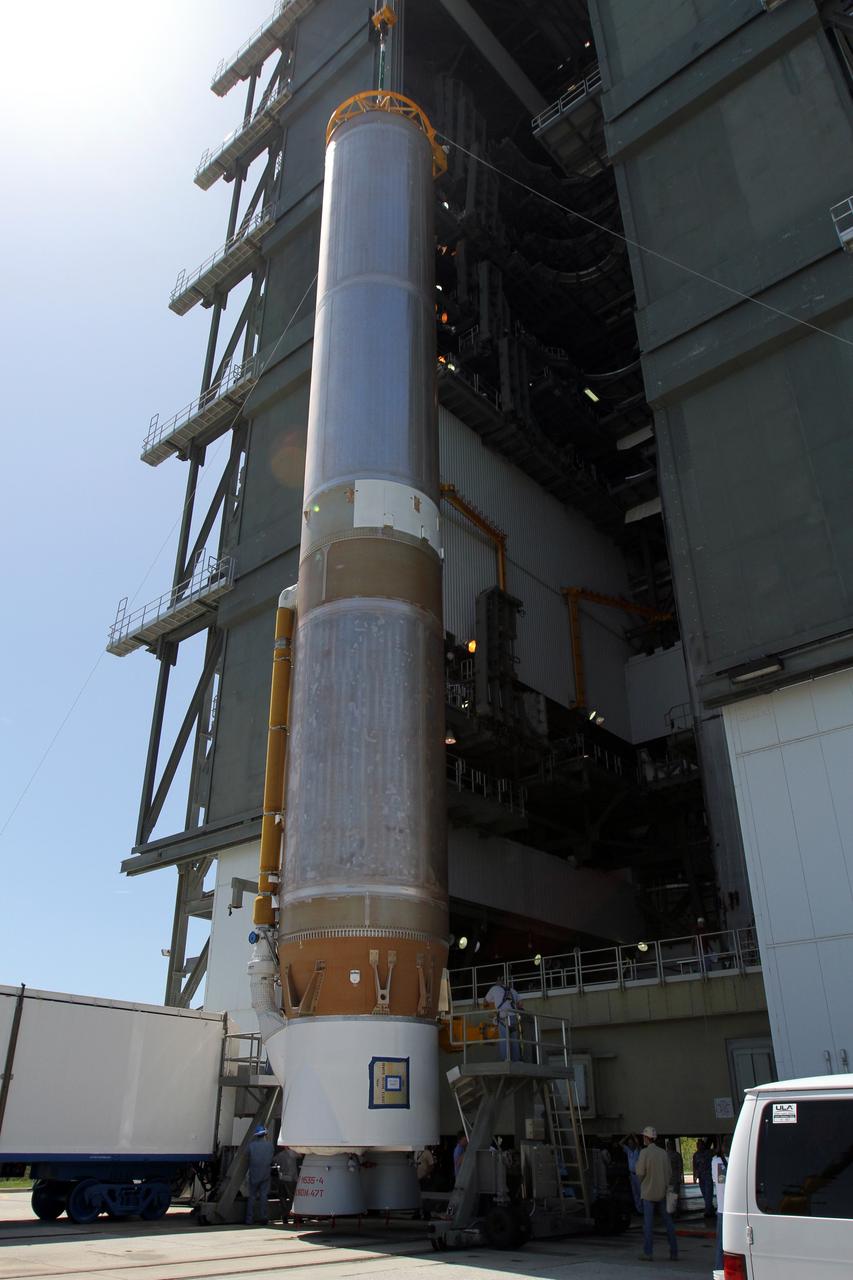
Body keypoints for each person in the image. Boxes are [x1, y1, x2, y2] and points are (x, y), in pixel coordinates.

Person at [635, 1125, 678, 1262]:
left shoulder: (644, 1153)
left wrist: (642, 1182)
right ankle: (674, 1252)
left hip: (648, 1192)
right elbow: (670, 1172)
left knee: (648, 1224)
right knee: (668, 1223)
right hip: (662, 1192)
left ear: (646, 1138)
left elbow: (640, 1173)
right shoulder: (663, 1153)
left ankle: (648, 1253)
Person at [483, 981, 524, 1061]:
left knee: (504, 1039)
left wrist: (491, 1008)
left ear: (497, 984)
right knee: (514, 1040)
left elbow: (485, 1002)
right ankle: (517, 1060)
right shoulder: (512, 990)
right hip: (513, 1017)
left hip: (503, 1017)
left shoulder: (494, 988)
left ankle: (505, 1060)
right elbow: (521, 1004)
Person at [245, 1124, 275, 1225]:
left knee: (252, 1196)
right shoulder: (270, 1145)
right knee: (263, 1196)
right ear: (265, 1134)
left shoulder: (251, 1145)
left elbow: (247, 1156)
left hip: (254, 1174)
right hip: (265, 1174)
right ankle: (264, 1217)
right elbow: (271, 1158)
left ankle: (249, 1219)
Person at [711, 1136, 729, 1269]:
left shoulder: (715, 1161)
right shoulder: (738, 1160)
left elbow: (714, 1179)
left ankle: (719, 1270)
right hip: (734, 1210)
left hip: (722, 1208)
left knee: (720, 1244)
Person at [274, 1145, 299, 1220]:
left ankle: (284, 1216)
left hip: (282, 1178)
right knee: (292, 1198)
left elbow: (273, 1160)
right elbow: (301, 1156)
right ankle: (295, 1216)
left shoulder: (280, 1155)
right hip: (291, 1179)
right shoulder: (293, 1153)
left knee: (283, 1198)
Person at [620, 1133, 642, 1213]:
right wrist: (627, 1136)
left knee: (640, 1192)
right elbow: (620, 1143)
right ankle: (639, 1210)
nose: (630, 1144)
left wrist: (633, 1136)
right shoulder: (628, 1150)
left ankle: (643, 1209)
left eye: (631, 1143)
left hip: (638, 1175)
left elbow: (638, 1143)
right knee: (635, 1193)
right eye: (629, 1143)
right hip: (632, 1175)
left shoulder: (638, 1150)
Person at [693, 1138, 715, 1218]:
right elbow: (694, 1166)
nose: (698, 1146)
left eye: (700, 1144)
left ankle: (708, 1211)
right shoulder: (696, 1155)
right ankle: (710, 1209)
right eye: (697, 1145)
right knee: (705, 1194)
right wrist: (694, 1177)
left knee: (708, 1194)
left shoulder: (708, 1153)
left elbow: (716, 1150)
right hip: (701, 1177)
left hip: (708, 1176)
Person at [666, 1138, 683, 1215]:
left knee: (675, 1196)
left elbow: (680, 1167)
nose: (669, 1146)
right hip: (667, 1179)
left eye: (671, 1145)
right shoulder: (664, 1155)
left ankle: (676, 1211)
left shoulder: (677, 1155)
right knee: (668, 1196)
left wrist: (679, 1177)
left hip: (675, 1178)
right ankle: (670, 1211)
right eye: (668, 1145)